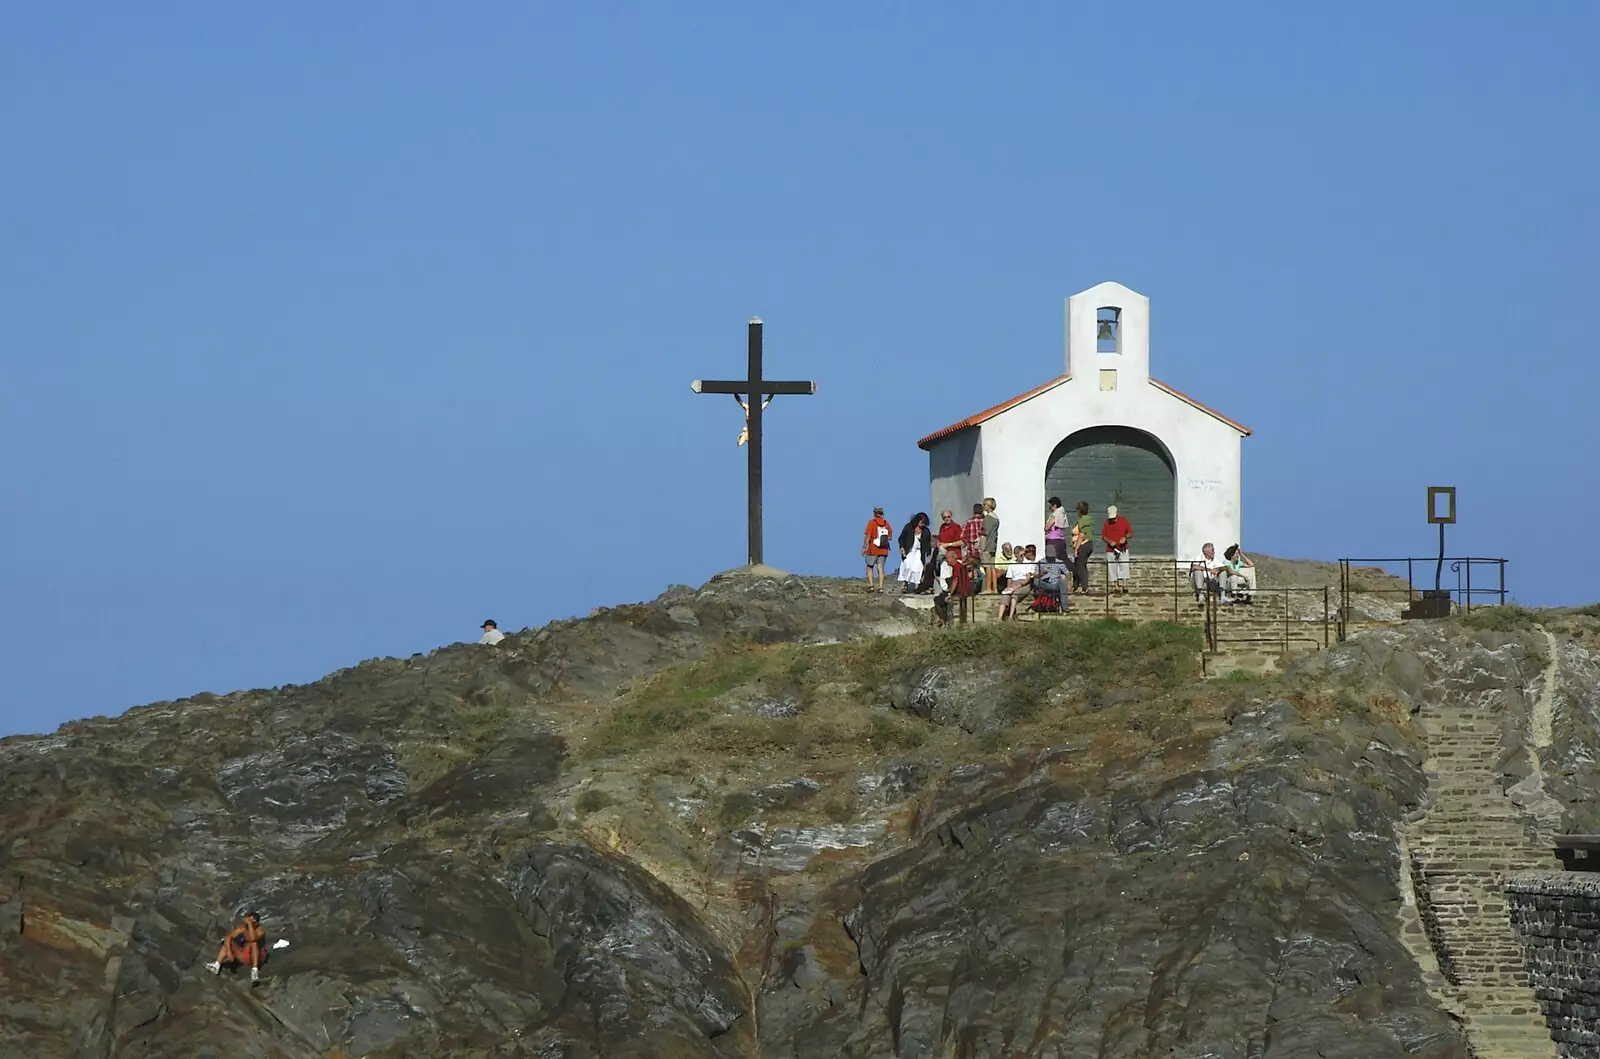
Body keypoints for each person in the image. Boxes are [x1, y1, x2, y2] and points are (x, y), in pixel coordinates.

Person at [206, 911, 266, 983]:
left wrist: (250, 924)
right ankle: (216, 965)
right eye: (248, 922)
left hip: (256, 957)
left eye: (252, 923)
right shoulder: (243, 928)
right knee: (228, 941)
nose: (249, 924)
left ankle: (254, 971)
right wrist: (229, 952)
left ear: (257, 923)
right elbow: (229, 937)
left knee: (254, 943)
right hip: (244, 955)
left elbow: (253, 938)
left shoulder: (260, 931)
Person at [999, 545, 1038, 620]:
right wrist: (1009, 587)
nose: (1023, 556)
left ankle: (1011, 616)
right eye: (1021, 555)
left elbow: (1028, 578)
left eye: (1024, 554)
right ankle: (999, 617)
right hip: (1014, 582)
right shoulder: (1012, 564)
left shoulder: (1028, 563)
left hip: (1024, 583)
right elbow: (1009, 578)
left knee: (1015, 595)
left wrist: (1020, 585)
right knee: (1005, 596)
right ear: (1016, 555)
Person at [1101, 505, 1133, 595]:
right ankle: (1115, 586)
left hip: (1122, 548)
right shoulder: (1106, 523)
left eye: (1114, 518)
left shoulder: (1124, 521)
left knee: (1124, 566)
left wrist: (1125, 537)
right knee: (1112, 567)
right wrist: (1109, 541)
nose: (1112, 520)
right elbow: (1103, 536)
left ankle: (1125, 585)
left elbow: (1130, 532)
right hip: (1111, 549)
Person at [897, 513, 931, 593]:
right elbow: (901, 538)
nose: (923, 524)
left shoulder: (926, 531)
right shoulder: (909, 527)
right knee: (907, 565)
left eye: (924, 523)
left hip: (919, 551)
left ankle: (917, 586)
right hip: (909, 550)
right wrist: (902, 547)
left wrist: (928, 555)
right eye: (922, 522)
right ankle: (905, 584)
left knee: (918, 567)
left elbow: (928, 544)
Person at [862, 507, 894, 592]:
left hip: (873, 549)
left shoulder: (872, 523)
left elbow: (868, 536)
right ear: (882, 513)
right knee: (880, 568)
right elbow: (890, 537)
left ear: (874, 513)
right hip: (883, 549)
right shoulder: (886, 524)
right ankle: (880, 587)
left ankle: (871, 585)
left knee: (870, 567)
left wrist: (864, 547)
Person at [1071, 501, 1096, 594]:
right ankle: (1076, 586)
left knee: (1080, 566)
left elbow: (1082, 535)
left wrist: (1076, 549)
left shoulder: (1083, 520)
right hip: (1087, 545)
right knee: (1078, 565)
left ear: (1080, 511)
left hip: (1083, 545)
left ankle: (1085, 587)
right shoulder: (1087, 519)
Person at [980, 498, 1000, 594]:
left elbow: (986, 532)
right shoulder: (995, 517)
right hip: (993, 544)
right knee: (992, 567)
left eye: (985, 504)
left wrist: (979, 531)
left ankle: (988, 588)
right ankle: (995, 588)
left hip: (987, 544)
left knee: (987, 566)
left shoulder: (988, 518)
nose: (983, 506)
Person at [961, 504, 985, 575]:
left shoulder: (968, 522)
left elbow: (962, 536)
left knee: (973, 574)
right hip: (983, 553)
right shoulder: (985, 521)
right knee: (984, 572)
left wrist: (969, 544)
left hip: (971, 553)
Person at [1044, 498, 1068, 562]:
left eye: (1050, 506)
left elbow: (1046, 527)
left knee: (1050, 560)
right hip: (1061, 540)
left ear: (1054, 505)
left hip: (1052, 541)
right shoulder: (1063, 513)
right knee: (1062, 561)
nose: (1049, 508)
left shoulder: (1055, 514)